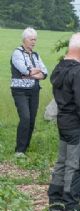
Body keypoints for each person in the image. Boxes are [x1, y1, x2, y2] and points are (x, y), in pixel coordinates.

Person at [48, 33, 80, 211]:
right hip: (77, 123)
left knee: (62, 161)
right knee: (75, 165)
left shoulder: (59, 68)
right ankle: (70, 206)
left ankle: (55, 202)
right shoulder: (79, 72)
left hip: (63, 121)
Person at [10, 27, 48, 156]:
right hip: (20, 91)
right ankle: (19, 150)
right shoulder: (17, 53)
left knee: (31, 119)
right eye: (32, 39)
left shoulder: (35, 55)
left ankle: (25, 147)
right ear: (25, 39)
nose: (34, 42)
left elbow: (45, 72)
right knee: (25, 117)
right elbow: (26, 70)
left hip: (34, 90)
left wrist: (33, 73)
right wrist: (33, 72)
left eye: (35, 40)